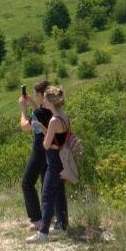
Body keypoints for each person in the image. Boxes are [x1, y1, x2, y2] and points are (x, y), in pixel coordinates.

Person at [19, 79, 67, 232]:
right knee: (55, 187)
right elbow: (39, 114)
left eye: (36, 94)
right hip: (55, 153)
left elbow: (25, 126)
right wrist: (32, 103)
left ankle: (38, 221)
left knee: (28, 183)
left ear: (42, 95)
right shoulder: (54, 112)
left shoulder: (41, 113)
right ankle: (57, 220)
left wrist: (23, 109)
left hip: (41, 151)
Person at [28, 85, 70, 243]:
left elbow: (47, 145)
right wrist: (43, 129)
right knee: (59, 192)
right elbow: (59, 140)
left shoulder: (53, 120)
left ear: (51, 101)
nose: (43, 101)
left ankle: (43, 233)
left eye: (45, 98)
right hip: (62, 159)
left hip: (53, 161)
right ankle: (62, 225)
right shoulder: (63, 116)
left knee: (46, 196)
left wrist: (42, 131)